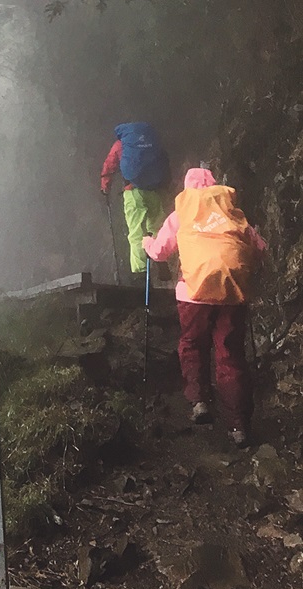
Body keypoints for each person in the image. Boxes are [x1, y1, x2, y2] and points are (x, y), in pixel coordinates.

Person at [143, 165, 266, 448]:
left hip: (193, 293)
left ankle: (200, 402)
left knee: (192, 344)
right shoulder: (231, 212)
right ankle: (239, 427)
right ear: (214, 186)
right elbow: (260, 248)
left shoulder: (182, 213)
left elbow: (160, 252)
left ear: (187, 188)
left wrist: (145, 242)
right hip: (231, 292)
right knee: (230, 355)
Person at [101, 121, 169, 276]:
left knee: (136, 230)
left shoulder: (121, 144)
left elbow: (110, 164)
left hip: (133, 191)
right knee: (157, 226)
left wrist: (105, 186)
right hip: (153, 189)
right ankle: (160, 259)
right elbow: (163, 159)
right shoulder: (151, 142)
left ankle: (140, 271)